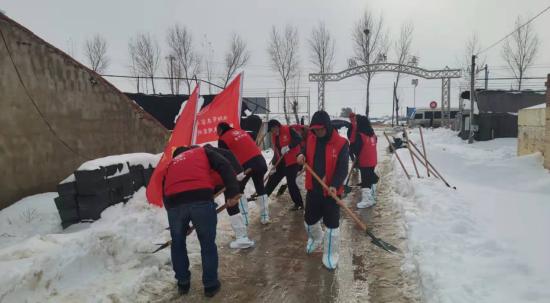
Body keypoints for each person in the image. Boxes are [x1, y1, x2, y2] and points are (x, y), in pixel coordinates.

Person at [163, 145, 240, 297]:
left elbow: (164, 188)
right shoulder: (202, 151)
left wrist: (177, 220)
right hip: (200, 198)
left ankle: (183, 284)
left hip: (174, 202)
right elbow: (224, 164)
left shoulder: (171, 163)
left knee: (177, 243)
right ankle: (210, 286)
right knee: (207, 244)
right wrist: (233, 192)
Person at [296, 110, 349, 270]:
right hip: (314, 188)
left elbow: (342, 168)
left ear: (327, 126)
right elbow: (304, 152)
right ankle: (316, 238)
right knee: (309, 220)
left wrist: (334, 184)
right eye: (315, 129)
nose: (318, 132)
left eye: (320, 129)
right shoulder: (311, 138)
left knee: (332, 225)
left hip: (331, 190)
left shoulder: (341, 143)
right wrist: (301, 155)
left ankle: (331, 254)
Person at [217, 122, 269, 224]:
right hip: (259, 161)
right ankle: (265, 217)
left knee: (238, 190)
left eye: (217, 131)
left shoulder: (223, 139)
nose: (217, 133)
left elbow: (224, 158)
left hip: (245, 165)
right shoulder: (241, 131)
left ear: (221, 130)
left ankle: (244, 220)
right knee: (260, 187)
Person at [204, 144, 254, 249]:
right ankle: (242, 237)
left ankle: (242, 238)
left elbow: (229, 154)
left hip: (224, 179)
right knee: (232, 207)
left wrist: (239, 171)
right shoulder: (212, 152)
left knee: (232, 206)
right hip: (222, 179)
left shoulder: (205, 152)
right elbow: (229, 154)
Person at [265, 119, 304, 211]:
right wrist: (274, 166)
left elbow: (299, 139)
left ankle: (299, 204)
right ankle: (263, 198)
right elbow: (277, 151)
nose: (273, 132)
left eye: (273, 129)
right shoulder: (274, 136)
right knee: (273, 178)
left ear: (277, 126)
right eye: (271, 130)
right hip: (282, 162)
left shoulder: (288, 129)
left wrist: (289, 147)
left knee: (291, 183)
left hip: (293, 161)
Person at [354, 116, 379, 208]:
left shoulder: (360, 135)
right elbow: (375, 142)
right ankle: (371, 195)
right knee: (369, 176)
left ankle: (367, 200)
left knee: (365, 180)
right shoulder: (372, 134)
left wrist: (354, 153)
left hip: (365, 160)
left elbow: (357, 148)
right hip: (373, 160)